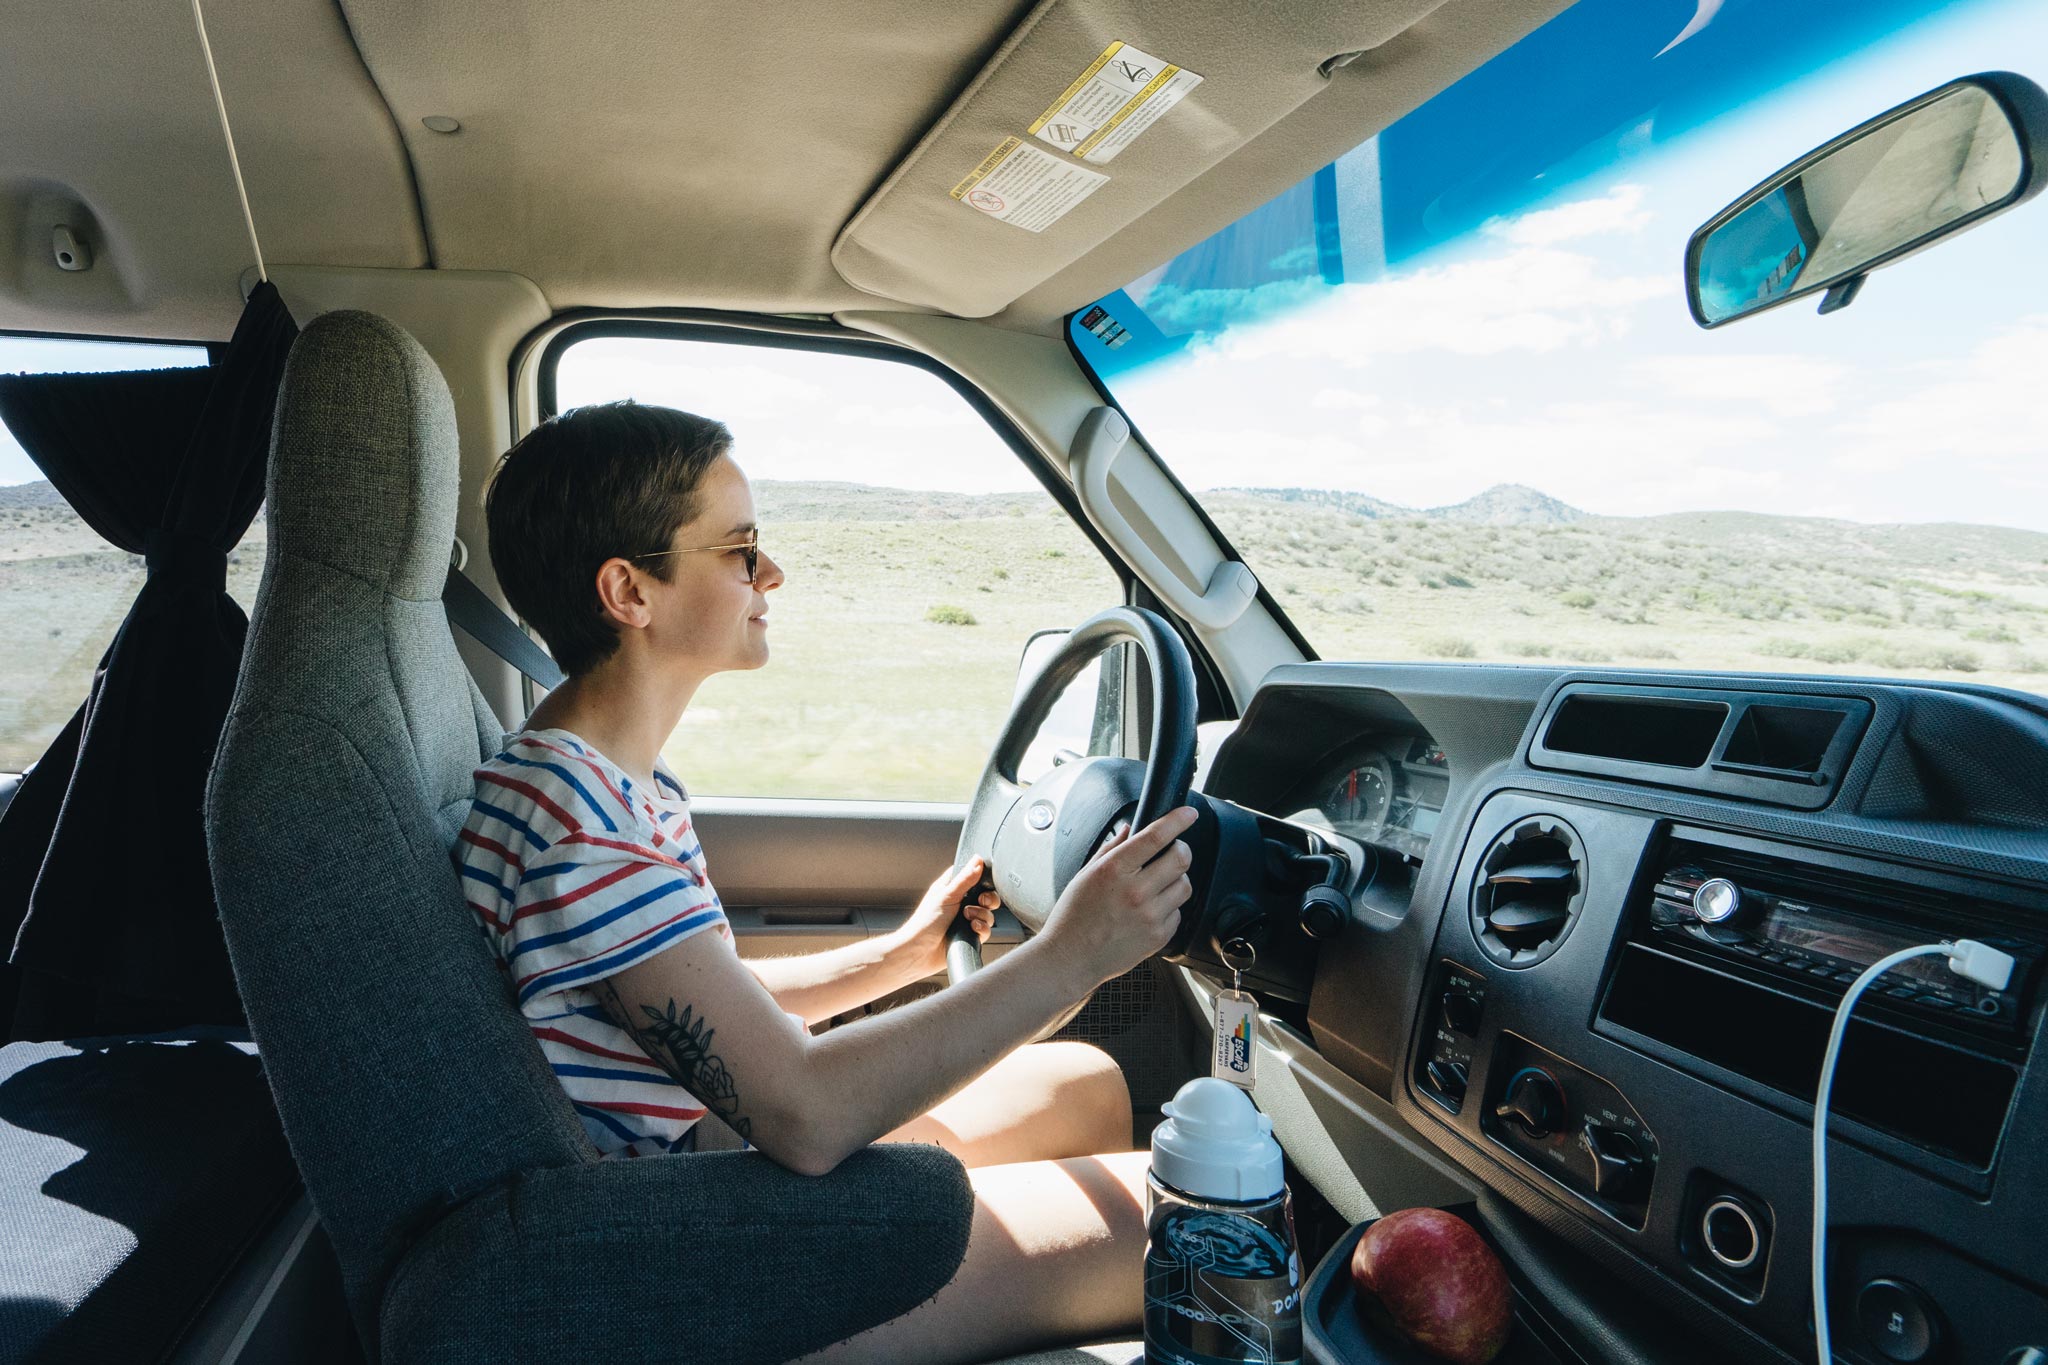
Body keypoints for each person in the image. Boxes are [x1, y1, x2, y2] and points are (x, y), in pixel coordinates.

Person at [457, 400, 1198, 1362]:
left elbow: (695, 1003)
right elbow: (806, 1115)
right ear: (629, 592)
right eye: (740, 549)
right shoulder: (584, 832)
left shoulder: (599, 778)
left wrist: (900, 956)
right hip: (698, 1252)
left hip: (716, 1164)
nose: (771, 574)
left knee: (1090, 1084)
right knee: (1184, 1226)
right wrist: (1072, 956)